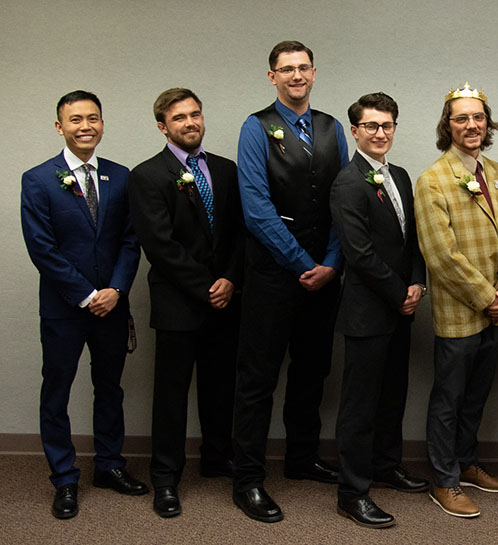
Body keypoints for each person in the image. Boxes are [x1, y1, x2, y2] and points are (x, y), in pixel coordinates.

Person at [231, 40, 349, 523]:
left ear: (315, 74)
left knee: (311, 371)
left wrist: (333, 263)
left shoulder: (332, 127)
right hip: (274, 276)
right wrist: (305, 264)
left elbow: (344, 197)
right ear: (272, 77)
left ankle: (301, 459)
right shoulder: (255, 127)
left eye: (303, 68)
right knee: (258, 380)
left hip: (324, 274)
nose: (296, 76)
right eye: (286, 70)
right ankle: (248, 481)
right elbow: (256, 208)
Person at [21, 90, 146, 520]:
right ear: (60, 127)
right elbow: (42, 249)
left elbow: (131, 241)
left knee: (109, 388)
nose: (85, 126)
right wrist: (87, 294)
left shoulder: (121, 176)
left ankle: (109, 465)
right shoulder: (38, 179)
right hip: (64, 308)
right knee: (55, 392)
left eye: (93, 118)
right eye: (75, 120)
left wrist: (115, 290)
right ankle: (64, 478)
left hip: (112, 306)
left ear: (103, 123)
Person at [128, 88, 244, 517]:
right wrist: (207, 286)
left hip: (227, 299)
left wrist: (230, 279)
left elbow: (238, 234)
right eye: (179, 118)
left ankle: (217, 457)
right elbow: (159, 246)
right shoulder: (147, 175)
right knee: (171, 396)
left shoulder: (227, 171)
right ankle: (165, 477)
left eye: (195, 114)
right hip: (180, 302)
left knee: (220, 388)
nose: (190, 122)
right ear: (163, 126)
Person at [414, 82, 498, 518]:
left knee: (477, 395)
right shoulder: (433, 180)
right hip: (461, 312)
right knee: (449, 399)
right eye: (461, 118)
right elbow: (441, 256)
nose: (471, 125)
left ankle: (465, 463)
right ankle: (444, 481)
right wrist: (487, 297)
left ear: (487, 122)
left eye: (478, 117)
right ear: (448, 126)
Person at [330, 92, 430, 529]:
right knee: (360, 404)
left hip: (401, 305)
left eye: (387, 125)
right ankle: (353, 492)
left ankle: (386, 466)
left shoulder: (402, 176)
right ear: (355, 131)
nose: (380, 133)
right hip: (368, 311)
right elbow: (360, 253)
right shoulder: (348, 183)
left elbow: (412, 241)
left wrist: (416, 283)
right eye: (371, 126)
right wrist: (398, 292)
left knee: (393, 393)